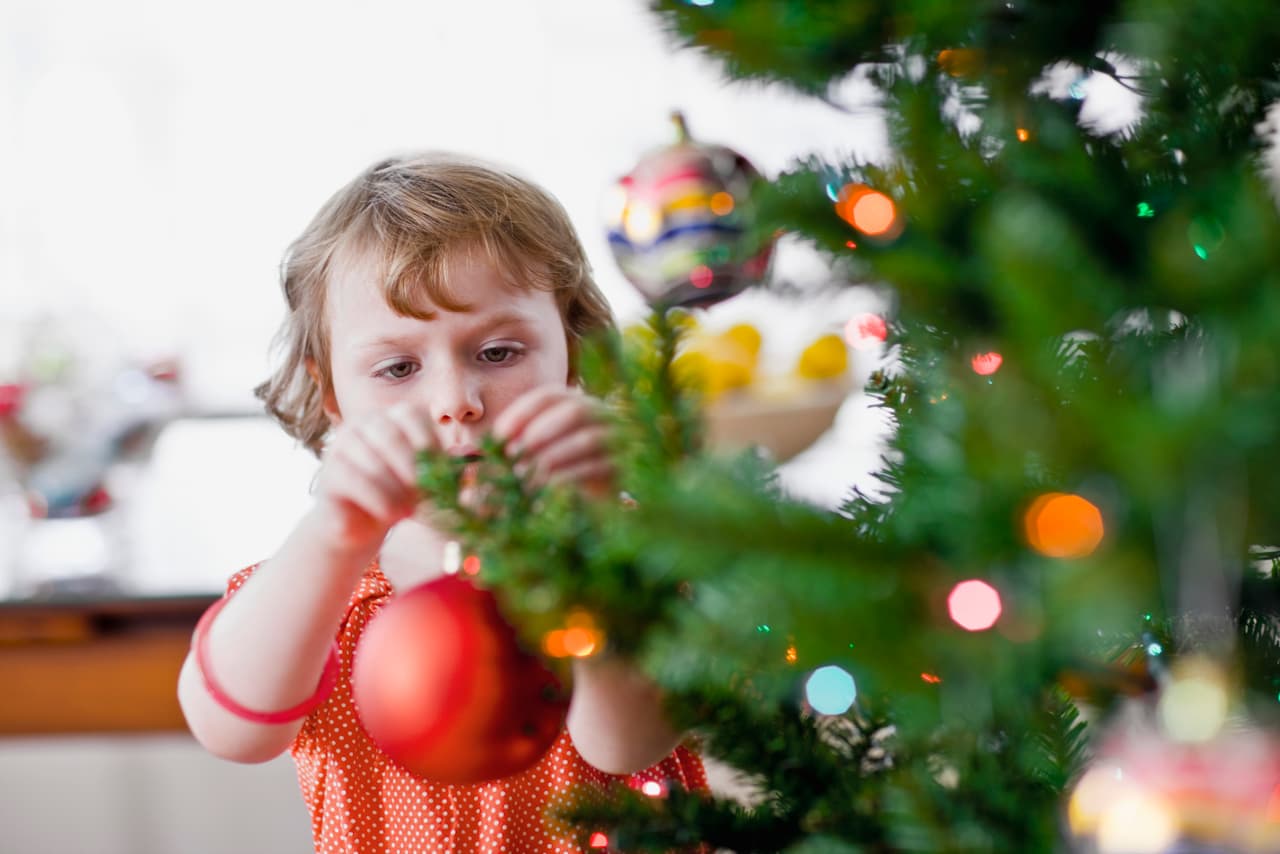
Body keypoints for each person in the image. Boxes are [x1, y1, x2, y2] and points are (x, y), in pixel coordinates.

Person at [177, 153, 706, 853]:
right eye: (399, 367)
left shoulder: (640, 549)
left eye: (498, 352)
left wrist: (594, 531)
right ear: (334, 396)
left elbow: (626, 744)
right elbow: (234, 731)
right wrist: (332, 536)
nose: (456, 400)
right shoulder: (323, 582)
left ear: (573, 356)